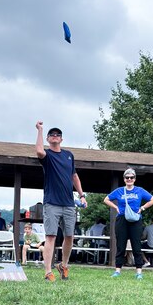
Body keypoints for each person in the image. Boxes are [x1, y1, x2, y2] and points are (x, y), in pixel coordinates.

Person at [35, 121, 87, 282]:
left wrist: (82, 195)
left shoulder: (69, 155)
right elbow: (38, 150)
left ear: (61, 139)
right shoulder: (47, 156)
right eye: (52, 135)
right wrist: (40, 130)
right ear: (49, 139)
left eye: (58, 135)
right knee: (50, 236)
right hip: (52, 203)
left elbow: (74, 176)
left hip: (69, 203)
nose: (55, 137)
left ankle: (63, 266)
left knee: (69, 236)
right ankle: (48, 272)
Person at [104, 168, 153, 279]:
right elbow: (106, 199)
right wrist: (116, 207)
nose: (129, 179)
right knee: (121, 246)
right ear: (124, 179)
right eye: (127, 177)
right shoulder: (119, 191)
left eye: (131, 177)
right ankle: (117, 271)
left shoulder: (139, 190)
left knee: (136, 246)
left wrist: (142, 208)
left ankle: (139, 272)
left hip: (136, 220)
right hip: (121, 219)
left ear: (135, 179)